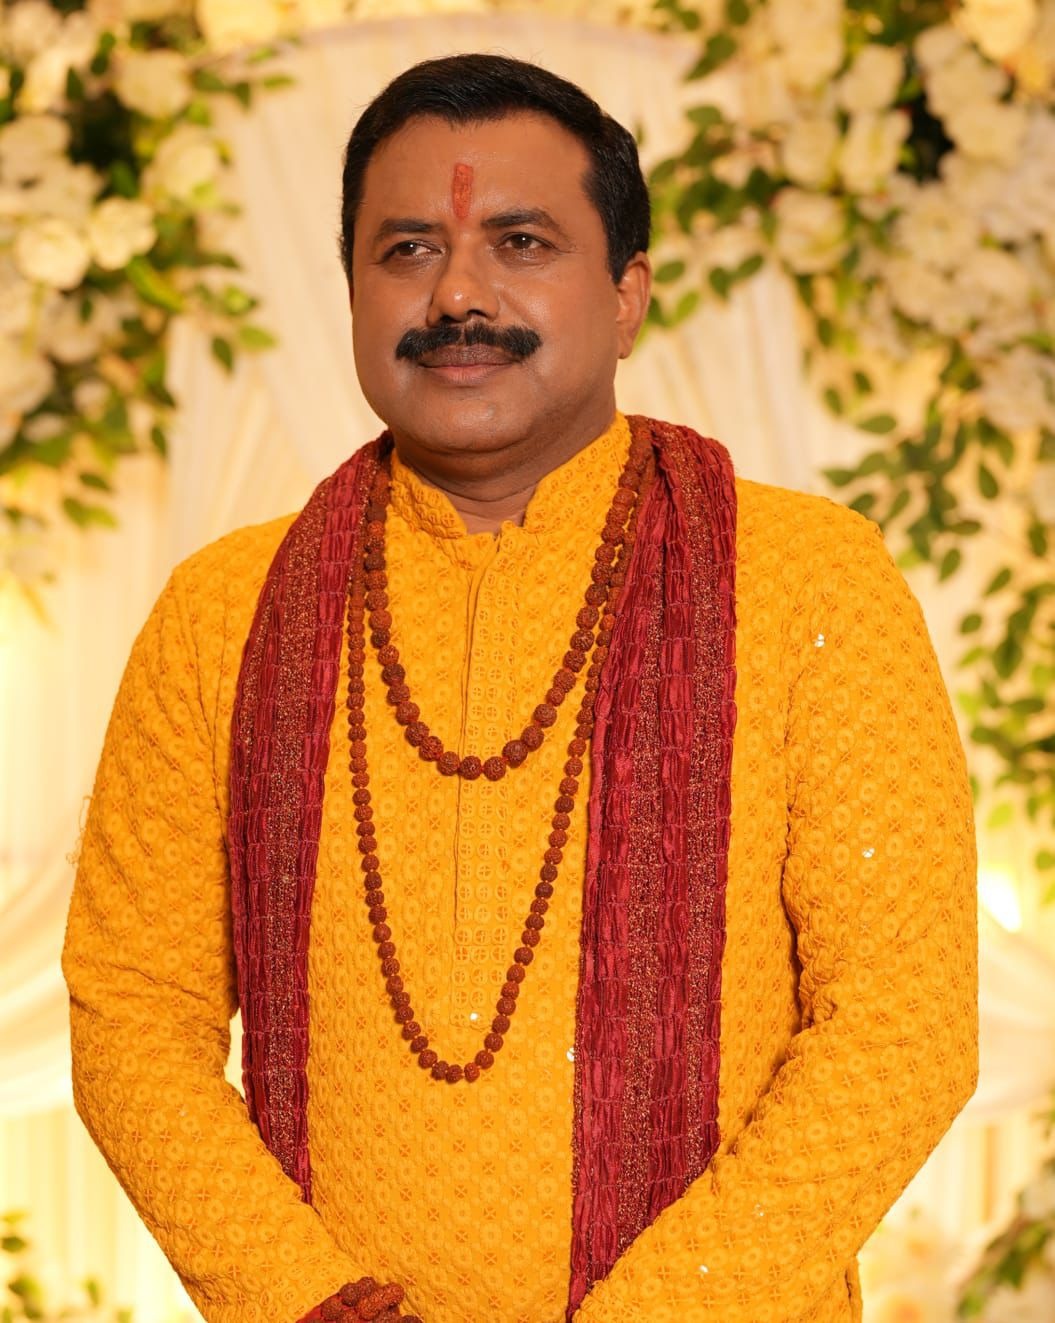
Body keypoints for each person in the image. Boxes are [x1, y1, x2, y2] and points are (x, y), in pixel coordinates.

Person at [62, 52, 978, 1323]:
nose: (456, 293)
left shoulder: (808, 581)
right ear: (349, 292)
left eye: (521, 242)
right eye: (405, 250)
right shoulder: (221, 613)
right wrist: (310, 1306)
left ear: (627, 294)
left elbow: (898, 1025)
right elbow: (133, 1017)